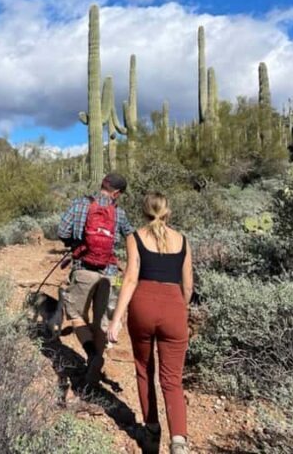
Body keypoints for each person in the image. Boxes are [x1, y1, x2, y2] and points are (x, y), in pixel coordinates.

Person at [107, 192, 193, 454]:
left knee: (144, 369)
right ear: (168, 211)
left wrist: (116, 319)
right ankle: (179, 442)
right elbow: (188, 284)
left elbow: (131, 278)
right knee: (172, 380)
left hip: (143, 306)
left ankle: (152, 432)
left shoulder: (134, 238)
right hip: (174, 307)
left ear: (144, 211)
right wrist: (180, 308)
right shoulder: (183, 240)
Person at [55, 172, 134, 386]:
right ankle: (95, 370)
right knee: (102, 321)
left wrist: (75, 244)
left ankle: (92, 355)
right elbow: (130, 235)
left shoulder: (80, 204)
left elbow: (61, 230)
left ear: (102, 184)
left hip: (83, 269)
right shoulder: (119, 212)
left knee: (75, 314)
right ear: (116, 193)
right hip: (110, 273)